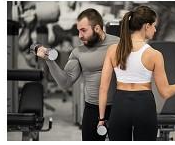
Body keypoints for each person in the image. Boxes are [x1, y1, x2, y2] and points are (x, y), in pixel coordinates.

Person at [97, 5, 175, 141]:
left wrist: (101, 119)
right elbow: (165, 92)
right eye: (154, 26)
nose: (155, 30)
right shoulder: (154, 54)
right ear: (146, 26)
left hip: (120, 104)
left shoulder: (113, 50)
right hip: (144, 105)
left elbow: (103, 89)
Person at [34, 8, 118, 141]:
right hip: (92, 109)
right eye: (78, 30)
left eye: (83, 30)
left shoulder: (119, 44)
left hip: (119, 107)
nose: (79, 35)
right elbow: (65, 82)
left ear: (97, 28)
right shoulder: (78, 52)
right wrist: (49, 61)